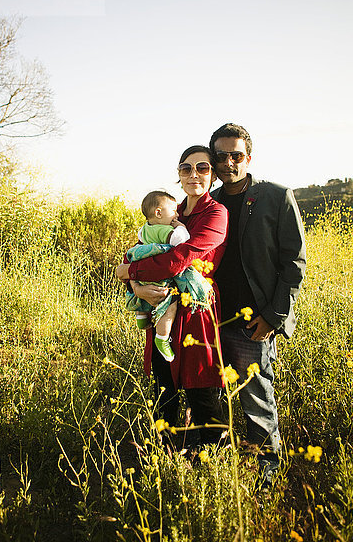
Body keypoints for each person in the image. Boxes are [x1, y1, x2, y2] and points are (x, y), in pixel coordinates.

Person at [209, 123, 306, 484]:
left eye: (237, 155)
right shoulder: (208, 202)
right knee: (212, 399)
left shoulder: (276, 196)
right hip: (210, 321)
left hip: (254, 323)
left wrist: (272, 317)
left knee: (257, 404)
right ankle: (220, 474)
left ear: (248, 157)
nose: (229, 162)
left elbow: (294, 262)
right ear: (214, 160)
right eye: (221, 156)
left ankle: (264, 483)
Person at [116, 145, 228, 444]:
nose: (194, 174)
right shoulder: (168, 210)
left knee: (200, 385)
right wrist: (136, 286)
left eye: (202, 168)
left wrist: (130, 273)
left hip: (194, 307)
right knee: (163, 388)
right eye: (186, 168)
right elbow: (141, 252)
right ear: (179, 175)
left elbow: (180, 259)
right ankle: (163, 454)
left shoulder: (216, 213)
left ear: (213, 174)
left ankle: (212, 457)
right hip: (162, 302)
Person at [126, 190, 212, 363]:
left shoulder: (144, 230)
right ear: (158, 213)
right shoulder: (165, 230)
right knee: (169, 305)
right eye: (173, 211)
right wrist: (181, 226)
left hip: (143, 272)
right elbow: (182, 240)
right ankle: (162, 337)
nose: (176, 214)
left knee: (143, 293)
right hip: (160, 275)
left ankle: (142, 317)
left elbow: (140, 243)